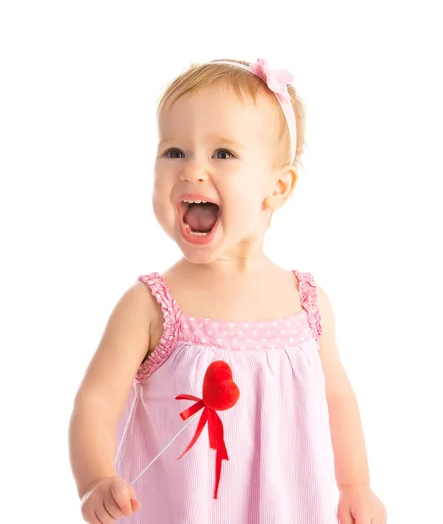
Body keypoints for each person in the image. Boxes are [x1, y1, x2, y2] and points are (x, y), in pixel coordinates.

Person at [69, 58, 387, 523]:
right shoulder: (152, 305)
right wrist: (96, 479)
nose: (192, 170)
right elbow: (95, 401)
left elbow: (337, 399)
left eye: (222, 154)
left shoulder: (307, 303)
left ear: (277, 187)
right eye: (174, 151)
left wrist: (356, 484)